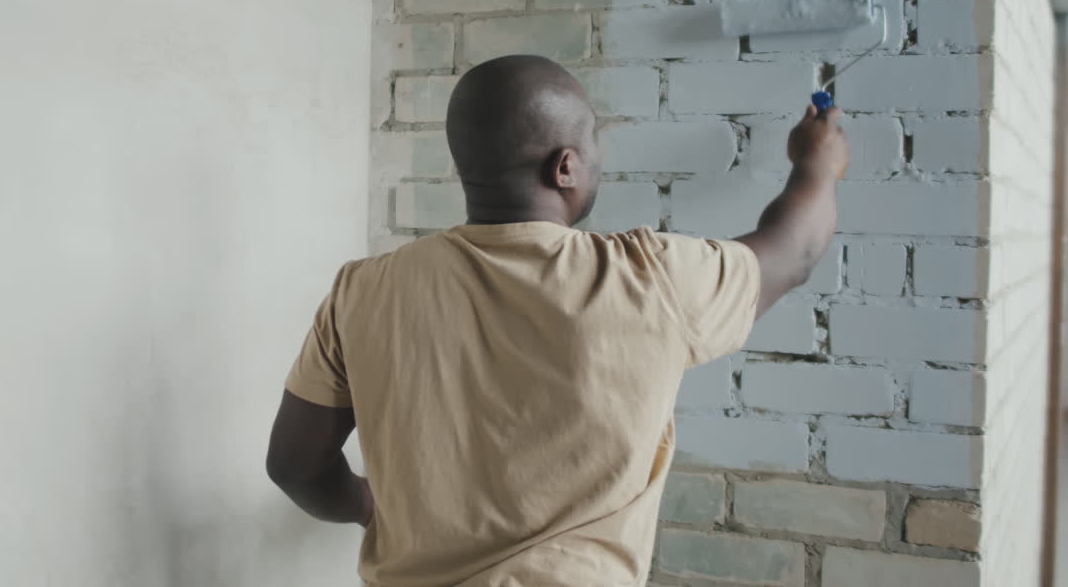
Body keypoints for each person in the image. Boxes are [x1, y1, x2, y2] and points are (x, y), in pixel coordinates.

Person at [266, 55, 849, 586]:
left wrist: (370, 506)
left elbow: (295, 465)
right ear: (565, 166)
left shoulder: (362, 291)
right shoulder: (650, 277)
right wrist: (817, 163)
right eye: (594, 141)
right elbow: (794, 251)